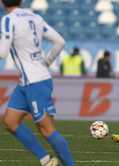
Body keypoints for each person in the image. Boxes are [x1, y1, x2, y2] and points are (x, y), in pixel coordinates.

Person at [0, 0, 74, 165]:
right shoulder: (35, 17)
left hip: (35, 83)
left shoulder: (8, 19)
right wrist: (47, 62)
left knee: (46, 129)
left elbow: (3, 53)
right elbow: (60, 42)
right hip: (28, 82)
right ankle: (46, 159)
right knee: (11, 122)